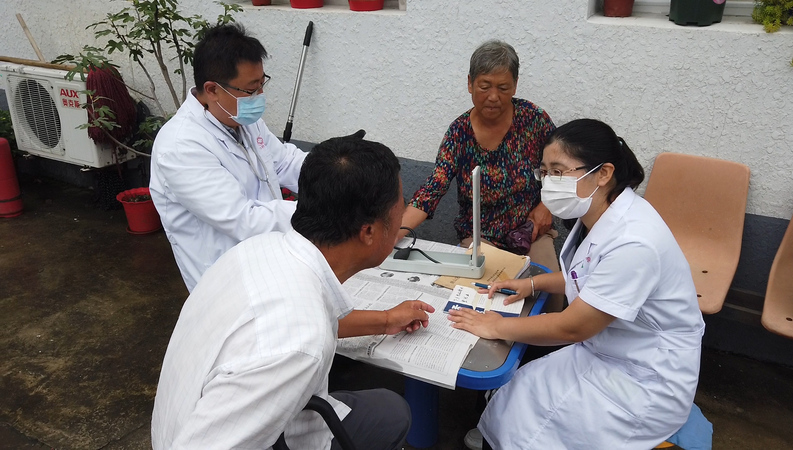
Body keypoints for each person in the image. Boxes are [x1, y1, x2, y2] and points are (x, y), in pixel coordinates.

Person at [152, 136, 435, 449]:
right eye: (400, 208)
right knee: (394, 414)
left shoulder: (260, 248)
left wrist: (386, 319)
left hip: (183, 415)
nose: (403, 216)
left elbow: (300, 322)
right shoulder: (298, 345)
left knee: (388, 409)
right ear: (368, 231)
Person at [448, 119, 705, 449]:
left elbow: (574, 327)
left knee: (527, 404)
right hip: (613, 349)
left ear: (603, 173)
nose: (548, 183)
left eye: (559, 171)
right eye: (544, 172)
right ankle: (498, 428)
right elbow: (587, 276)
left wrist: (496, 325)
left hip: (646, 378)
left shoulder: (635, 241)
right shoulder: (603, 214)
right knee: (521, 387)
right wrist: (534, 283)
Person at [150, 23, 308, 292]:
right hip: (227, 283)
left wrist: (338, 172)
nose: (259, 96)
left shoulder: (240, 119)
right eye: (251, 90)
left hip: (269, 258)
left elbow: (284, 162)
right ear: (212, 90)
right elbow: (242, 219)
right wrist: (322, 210)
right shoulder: (180, 146)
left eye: (262, 84)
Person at [400, 40, 558, 272]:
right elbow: (432, 190)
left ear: (515, 86)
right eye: (485, 87)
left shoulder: (533, 119)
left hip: (530, 231)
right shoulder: (458, 133)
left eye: (503, 88)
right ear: (470, 84)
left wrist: (546, 206)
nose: (493, 96)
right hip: (480, 236)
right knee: (483, 285)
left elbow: (562, 168)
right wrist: (394, 234)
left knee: (546, 282)